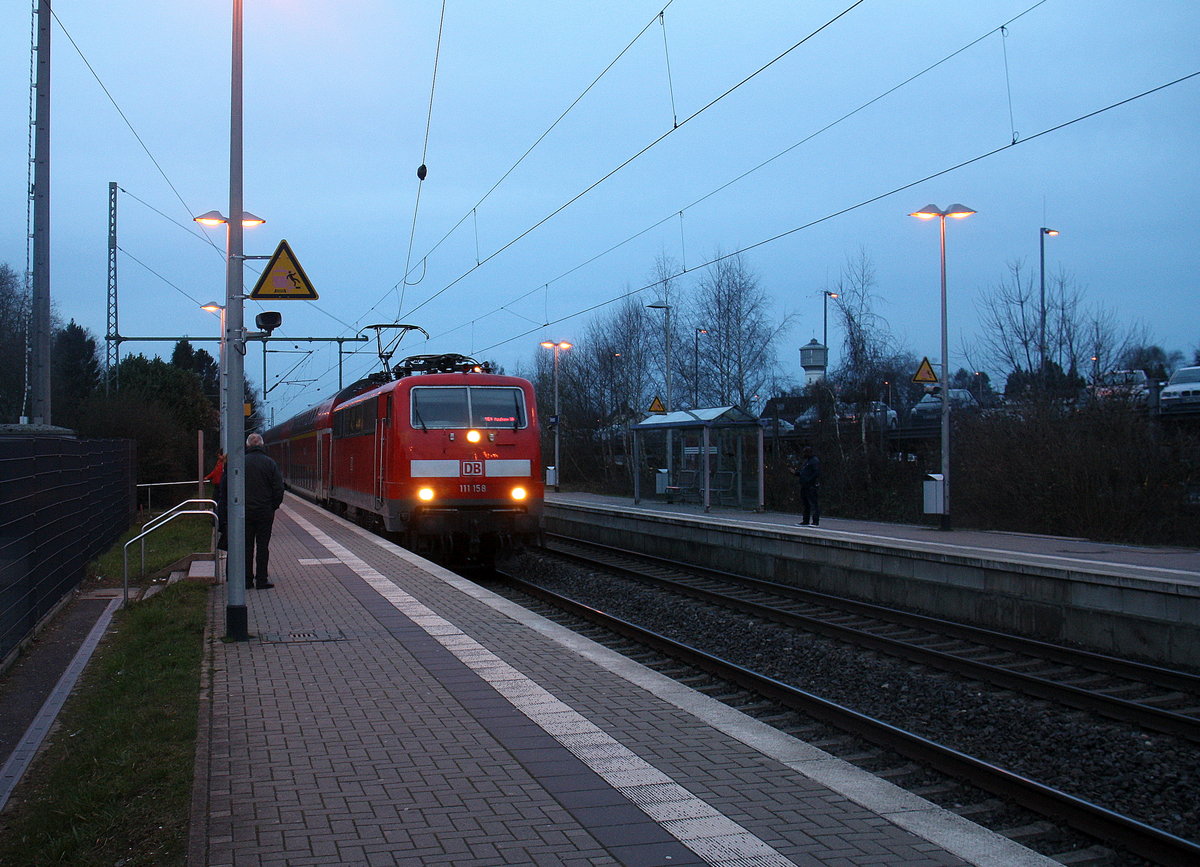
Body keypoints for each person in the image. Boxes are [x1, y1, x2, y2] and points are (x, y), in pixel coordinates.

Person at [217, 434, 285, 589]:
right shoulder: (270, 464)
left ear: (247, 446)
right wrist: (272, 506)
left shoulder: (239, 463)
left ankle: (247, 580)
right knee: (263, 546)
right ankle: (262, 580)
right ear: (261, 445)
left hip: (243, 512)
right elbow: (279, 489)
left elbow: (227, 487)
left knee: (246, 546)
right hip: (264, 512)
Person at [793, 445, 821, 526]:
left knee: (813, 503)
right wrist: (796, 473)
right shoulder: (807, 462)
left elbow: (816, 473)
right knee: (806, 503)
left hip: (811, 485)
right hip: (804, 485)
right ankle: (806, 520)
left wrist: (809, 480)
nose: (803, 454)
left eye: (805, 452)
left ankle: (815, 521)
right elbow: (804, 473)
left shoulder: (814, 461)